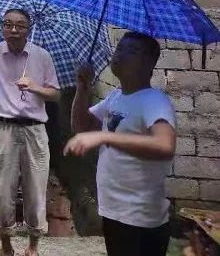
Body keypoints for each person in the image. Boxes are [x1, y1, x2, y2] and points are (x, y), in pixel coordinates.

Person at [65, 32, 176, 256]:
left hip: (140, 218)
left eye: (131, 51)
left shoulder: (155, 101)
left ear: (149, 63)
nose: (120, 55)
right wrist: (82, 88)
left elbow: (165, 146)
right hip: (114, 210)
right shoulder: (116, 97)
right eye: (119, 49)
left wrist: (105, 137)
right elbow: (82, 127)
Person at [0, 9, 60, 256]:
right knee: (3, 192)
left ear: (28, 29)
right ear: (2, 28)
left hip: (35, 131)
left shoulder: (42, 56)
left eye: (20, 26)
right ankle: (6, 244)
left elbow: (55, 94)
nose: (14, 30)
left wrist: (35, 87)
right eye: (8, 25)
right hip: (4, 129)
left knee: (36, 191)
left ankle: (33, 245)